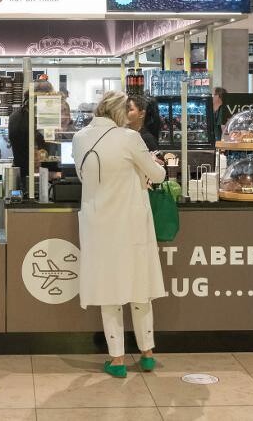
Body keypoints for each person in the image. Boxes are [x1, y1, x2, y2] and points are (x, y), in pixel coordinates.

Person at [72, 90, 166, 378]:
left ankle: (117, 360)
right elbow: (158, 175)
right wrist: (154, 166)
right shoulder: (129, 139)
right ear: (119, 113)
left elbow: (81, 175)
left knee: (108, 291)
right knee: (140, 288)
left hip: (98, 223)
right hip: (131, 223)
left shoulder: (79, 138)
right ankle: (147, 354)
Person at [8, 81, 52, 188]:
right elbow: (33, 154)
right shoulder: (25, 119)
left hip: (26, 174)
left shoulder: (18, 115)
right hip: (30, 177)